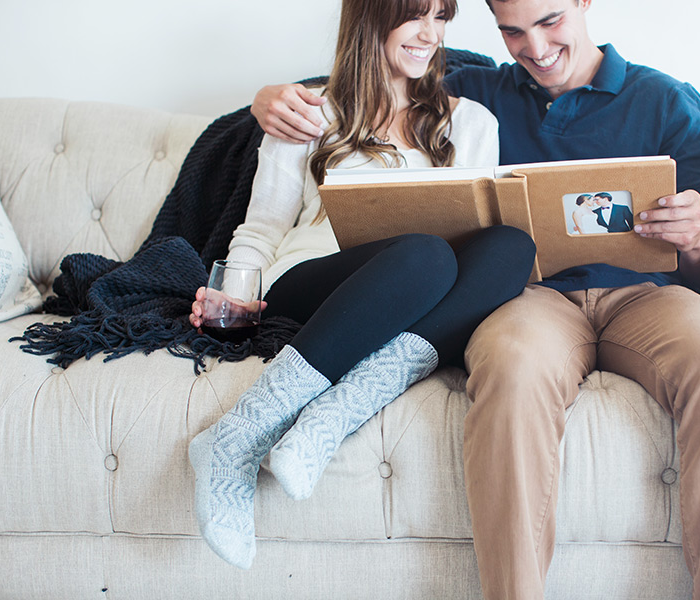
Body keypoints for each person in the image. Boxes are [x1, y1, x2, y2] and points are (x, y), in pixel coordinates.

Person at [249, 0, 700, 598]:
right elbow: (376, 79)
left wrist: (695, 235)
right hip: (530, 298)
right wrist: (269, 99)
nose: (536, 49)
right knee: (512, 371)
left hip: (646, 296)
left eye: (550, 22)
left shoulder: (667, 99)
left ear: (582, 4)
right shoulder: (474, 96)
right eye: (514, 32)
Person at [188, 0, 536, 572]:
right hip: (310, 285)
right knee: (425, 252)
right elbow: (261, 228)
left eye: (442, 17)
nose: (430, 34)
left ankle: (332, 417)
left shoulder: (473, 123)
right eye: (414, 15)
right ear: (371, 17)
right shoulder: (307, 113)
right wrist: (235, 289)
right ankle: (235, 438)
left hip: (417, 300)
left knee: (511, 245)